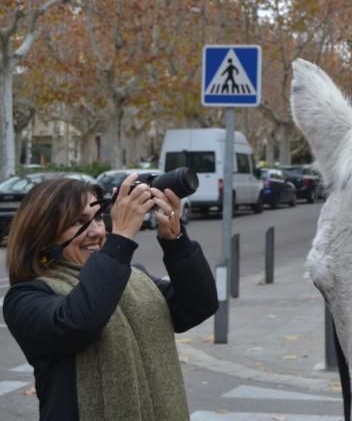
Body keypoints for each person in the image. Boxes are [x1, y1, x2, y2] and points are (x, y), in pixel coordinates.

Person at [3, 174, 219, 420]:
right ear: (43, 234)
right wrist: (122, 237)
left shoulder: (130, 279)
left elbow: (199, 306)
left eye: (97, 218)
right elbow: (79, 323)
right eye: (78, 222)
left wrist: (176, 239)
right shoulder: (25, 298)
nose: (96, 231)